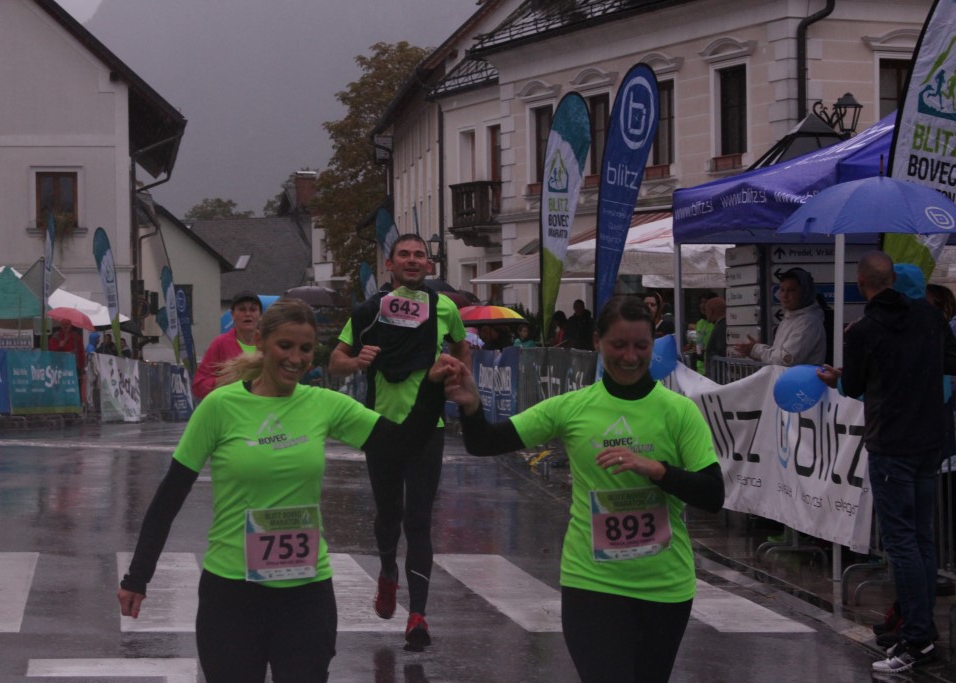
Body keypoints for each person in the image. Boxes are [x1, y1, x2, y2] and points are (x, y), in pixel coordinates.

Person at [117, 298, 459, 682]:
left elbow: (402, 444)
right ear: (261, 342)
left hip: (306, 595)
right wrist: (137, 577)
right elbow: (169, 497)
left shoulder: (324, 404)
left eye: (305, 349)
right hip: (231, 593)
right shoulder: (220, 407)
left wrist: (432, 389)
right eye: (285, 346)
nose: (296, 359)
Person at [445, 296, 724, 683]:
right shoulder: (571, 407)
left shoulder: (679, 411)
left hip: (665, 586)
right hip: (592, 582)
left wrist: (660, 471)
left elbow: (713, 495)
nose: (630, 357)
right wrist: (471, 407)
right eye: (618, 345)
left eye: (641, 346)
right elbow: (484, 443)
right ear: (597, 342)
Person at [328, 233, 470, 647]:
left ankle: (418, 616)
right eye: (404, 254)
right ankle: (388, 570)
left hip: (428, 428)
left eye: (419, 255)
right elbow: (335, 361)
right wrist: (356, 361)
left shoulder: (444, 307)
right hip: (382, 428)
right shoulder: (370, 310)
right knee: (389, 515)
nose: (412, 260)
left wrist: (458, 378)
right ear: (389, 265)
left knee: (419, 520)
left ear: (429, 265)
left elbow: (462, 345)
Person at [817, 252, 956, 674]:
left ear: (862, 284)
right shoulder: (929, 317)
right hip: (930, 439)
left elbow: (854, 384)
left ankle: (917, 638)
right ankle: (921, 628)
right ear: (892, 279)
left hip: (892, 442)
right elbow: (949, 362)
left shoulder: (865, 328)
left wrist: (838, 377)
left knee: (902, 542)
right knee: (922, 537)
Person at [733, 267, 825, 366]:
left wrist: (756, 350)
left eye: (791, 290)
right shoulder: (790, 319)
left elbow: (786, 359)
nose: (785, 295)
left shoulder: (809, 322)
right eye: (782, 290)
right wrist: (754, 351)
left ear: (804, 292)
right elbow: (778, 358)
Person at [192, 290, 263, 401]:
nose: (248, 314)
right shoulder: (220, 343)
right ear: (232, 315)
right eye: (242, 309)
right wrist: (231, 378)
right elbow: (198, 387)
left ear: (260, 316)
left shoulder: (269, 344)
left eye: (253, 309)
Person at [48, 319, 85, 399]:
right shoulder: (56, 336)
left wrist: (82, 367)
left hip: (74, 367)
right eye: (64, 325)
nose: (66, 327)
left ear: (70, 326)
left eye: (67, 325)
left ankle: (75, 401)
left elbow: (81, 352)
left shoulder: (76, 337)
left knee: (75, 385)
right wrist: (60, 346)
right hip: (60, 366)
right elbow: (50, 351)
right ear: (61, 325)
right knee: (60, 385)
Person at [703, 296, 727, 379]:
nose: (705, 314)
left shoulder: (721, 327)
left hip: (718, 377)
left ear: (712, 311)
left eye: (706, 310)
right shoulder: (723, 325)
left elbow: (721, 350)